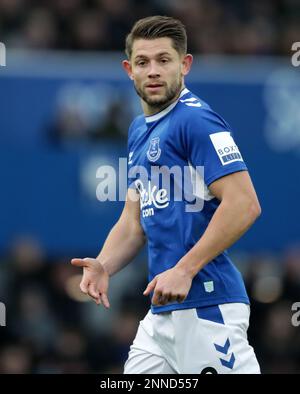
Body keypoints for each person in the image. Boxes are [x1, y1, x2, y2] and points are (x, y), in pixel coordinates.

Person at [71, 15, 262, 374]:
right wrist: (104, 264)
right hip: (161, 317)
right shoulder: (139, 130)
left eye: (164, 60)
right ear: (129, 70)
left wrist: (185, 269)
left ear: (185, 64)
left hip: (207, 305)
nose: (153, 71)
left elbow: (244, 204)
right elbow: (133, 221)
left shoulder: (196, 121)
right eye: (143, 62)